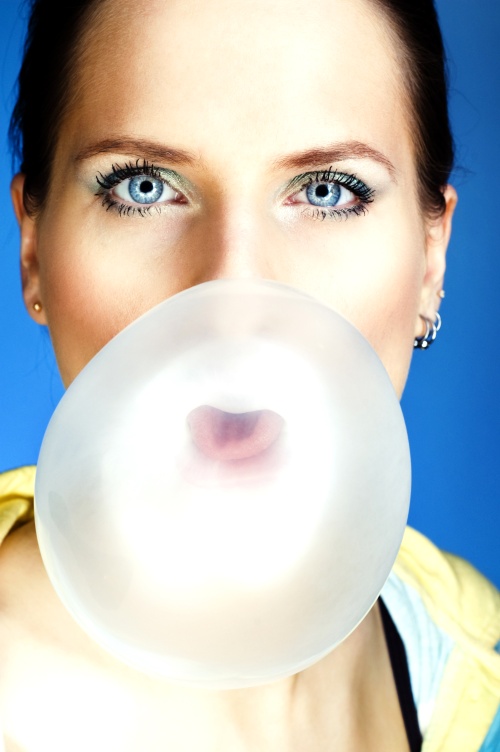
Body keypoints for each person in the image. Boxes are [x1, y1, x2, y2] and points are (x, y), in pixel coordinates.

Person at [1, 0, 499, 749]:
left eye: (328, 190)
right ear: (34, 247)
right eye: (142, 186)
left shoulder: (467, 652)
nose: (234, 306)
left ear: (431, 259)